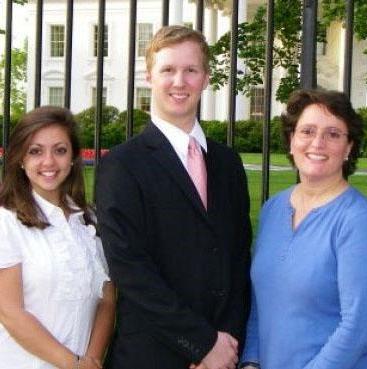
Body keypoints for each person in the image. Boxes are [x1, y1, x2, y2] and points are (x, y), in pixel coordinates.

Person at [96, 25, 252, 369]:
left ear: (206, 78)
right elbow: (130, 270)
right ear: (150, 76)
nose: (179, 81)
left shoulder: (228, 163)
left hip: (223, 354)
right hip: (152, 355)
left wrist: (225, 343)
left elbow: (239, 259)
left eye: (190, 70)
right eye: (168, 69)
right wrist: (201, 344)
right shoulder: (122, 165)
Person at [240, 89, 367, 369]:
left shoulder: (358, 220)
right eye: (307, 131)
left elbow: (359, 325)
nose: (318, 143)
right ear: (291, 140)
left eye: (333, 134)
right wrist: (251, 360)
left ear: (348, 148)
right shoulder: (272, 210)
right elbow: (259, 305)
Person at [0, 106, 116, 369]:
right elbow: (10, 312)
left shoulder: (90, 222)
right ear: (20, 158)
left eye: (60, 150)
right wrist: (73, 364)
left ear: (74, 157)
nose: (49, 162)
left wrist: (93, 360)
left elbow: (107, 300)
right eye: (35, 151)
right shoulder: (6, 222)